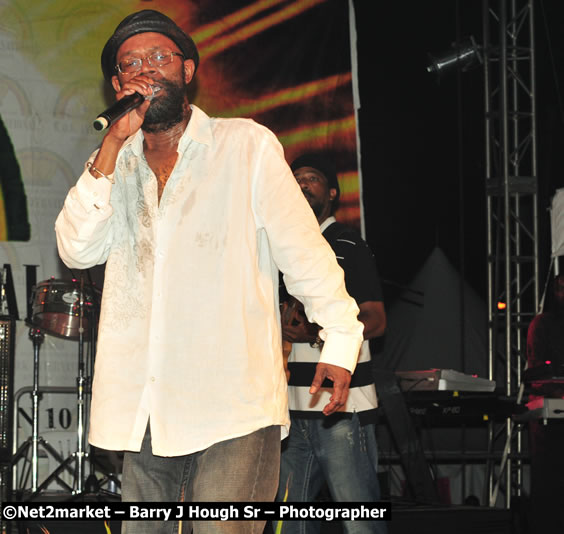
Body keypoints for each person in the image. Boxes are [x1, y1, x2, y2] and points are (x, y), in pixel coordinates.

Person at [55, 10, 363, 534]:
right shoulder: (113, 166)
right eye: (130, 64)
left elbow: (303, 249)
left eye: (159, 56)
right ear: (117, 85)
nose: (146, 69)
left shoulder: (245, 146)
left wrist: (340, 337)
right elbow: (76, 249)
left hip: (233, 401)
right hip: (146, 406)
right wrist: (110, 147)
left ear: (187, 70)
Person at [277, 154, 386, 534]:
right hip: (288, 410)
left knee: (360, 522)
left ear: (333, 193)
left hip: (342, 408)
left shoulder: (347, 243)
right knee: (288, 525)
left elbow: (376, 319)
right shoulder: (280, 247)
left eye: (312, 178)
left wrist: (315, 333)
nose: (302, 184)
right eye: (296, 178)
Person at [525, 273, 564, 534]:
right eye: (560, 288)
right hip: (550, 423)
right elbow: (538, 372)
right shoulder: (542, 324)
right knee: (550, 490)